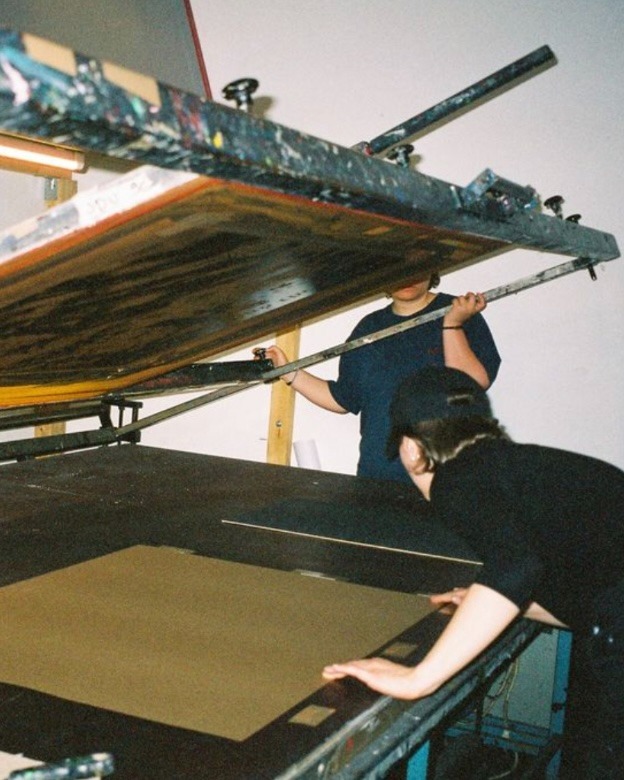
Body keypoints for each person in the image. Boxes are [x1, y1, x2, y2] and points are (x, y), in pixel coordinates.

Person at [322, 366, 624, 778]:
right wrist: (502, 602)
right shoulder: (523, 467)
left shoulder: (456, 480)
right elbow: (593, 585)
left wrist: (417, 679)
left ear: (411, 448)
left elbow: (515, 567)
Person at [262, 273, 500, 482]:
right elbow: (342, 399)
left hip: (448, 476)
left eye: (415, 268)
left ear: (431, 269)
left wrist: (452, 324)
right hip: (379, 476)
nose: (407, 277)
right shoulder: (369, 327)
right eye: (398, 269)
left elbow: (473, 383)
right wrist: (287, 371)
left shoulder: (459, 312)